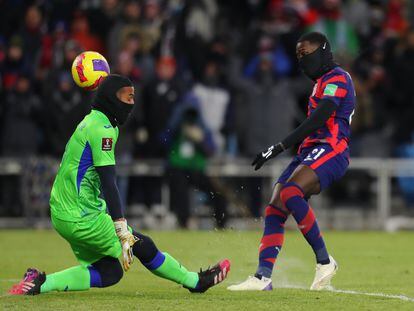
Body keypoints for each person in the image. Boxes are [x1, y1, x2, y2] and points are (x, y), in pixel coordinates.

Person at [9, 74, 230, 295]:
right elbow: (108, 181)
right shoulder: (103, 129)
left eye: (133, 97)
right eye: (126, 97)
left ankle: (39, 283)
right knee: (143, 245)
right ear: (109, 98)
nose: (131, 103)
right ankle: (195, 282)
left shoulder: (94, 121)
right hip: (80, 215)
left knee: (110, 272)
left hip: (63, 212)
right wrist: (121, 228)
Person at [228, 32, 355, 291]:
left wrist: (280, 146)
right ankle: (263, 277)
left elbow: (322, 116)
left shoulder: (338, 78)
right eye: (298, 55)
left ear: (323, 50)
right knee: (275, 206)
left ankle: (324, 261)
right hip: (309, 151)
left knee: (291, 192)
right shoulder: (320, 82)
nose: (302, 60)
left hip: (332, 149)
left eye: (306, 53)